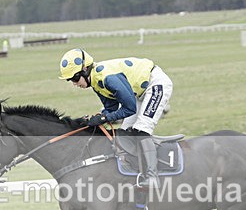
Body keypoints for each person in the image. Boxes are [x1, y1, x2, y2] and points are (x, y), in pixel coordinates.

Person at [58, 48, 173, 188]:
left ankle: (152, 177)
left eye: (75, 78)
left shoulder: (107, 78)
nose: (74, 83)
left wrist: (104, 119)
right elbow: (111, 109)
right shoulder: (95, 81)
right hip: (139, 94)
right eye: (71, 80)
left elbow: (129, 108)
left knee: (141, 130)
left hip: (156, 85)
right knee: (123, 134)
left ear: (86, 69)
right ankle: (136, 173)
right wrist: (96, 119)